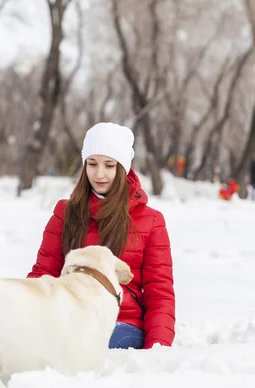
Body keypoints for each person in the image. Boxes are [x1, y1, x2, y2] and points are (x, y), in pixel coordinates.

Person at [27, 122, 175, 350]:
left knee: (85, 347)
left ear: (122, 168)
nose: (100, 174)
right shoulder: (65, 213)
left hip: (121, 324)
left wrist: (157, 349)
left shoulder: (151, 220)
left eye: (109, 165)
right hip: (69, 318)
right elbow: (43, 274)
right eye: (92, 164)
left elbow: (160, 292)